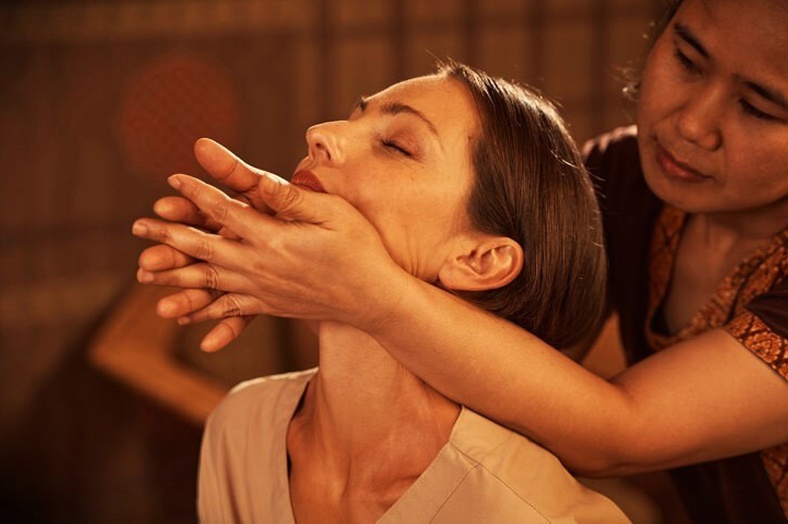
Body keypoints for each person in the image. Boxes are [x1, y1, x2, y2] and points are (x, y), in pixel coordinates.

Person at [133, 0, 788, 521]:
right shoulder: (629, 178)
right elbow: (504, 305)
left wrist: (359, 288)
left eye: (759, 107)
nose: (690, 122)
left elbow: (620, 429)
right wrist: (284, 262)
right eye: (686, 56)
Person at [134, 62, 631, 522]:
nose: (320, 134)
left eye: (396, 145)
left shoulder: (531, 512)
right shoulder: (240, 429)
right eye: (354, 116)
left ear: (478, 260)